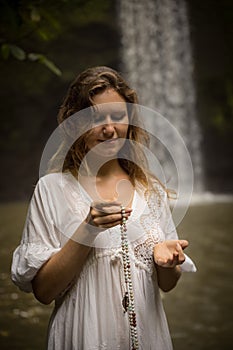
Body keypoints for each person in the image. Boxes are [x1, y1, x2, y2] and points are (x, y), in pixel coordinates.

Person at [11, 66, 196, 350]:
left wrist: (167, 261)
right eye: (97, 118)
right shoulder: (52, 190)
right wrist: (88, 228)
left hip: (146, 337)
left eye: (118, 116)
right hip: (83, 335)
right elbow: (43, 292)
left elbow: (167, 284)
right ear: (75, 124)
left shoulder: (151, 191)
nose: (109, 129)